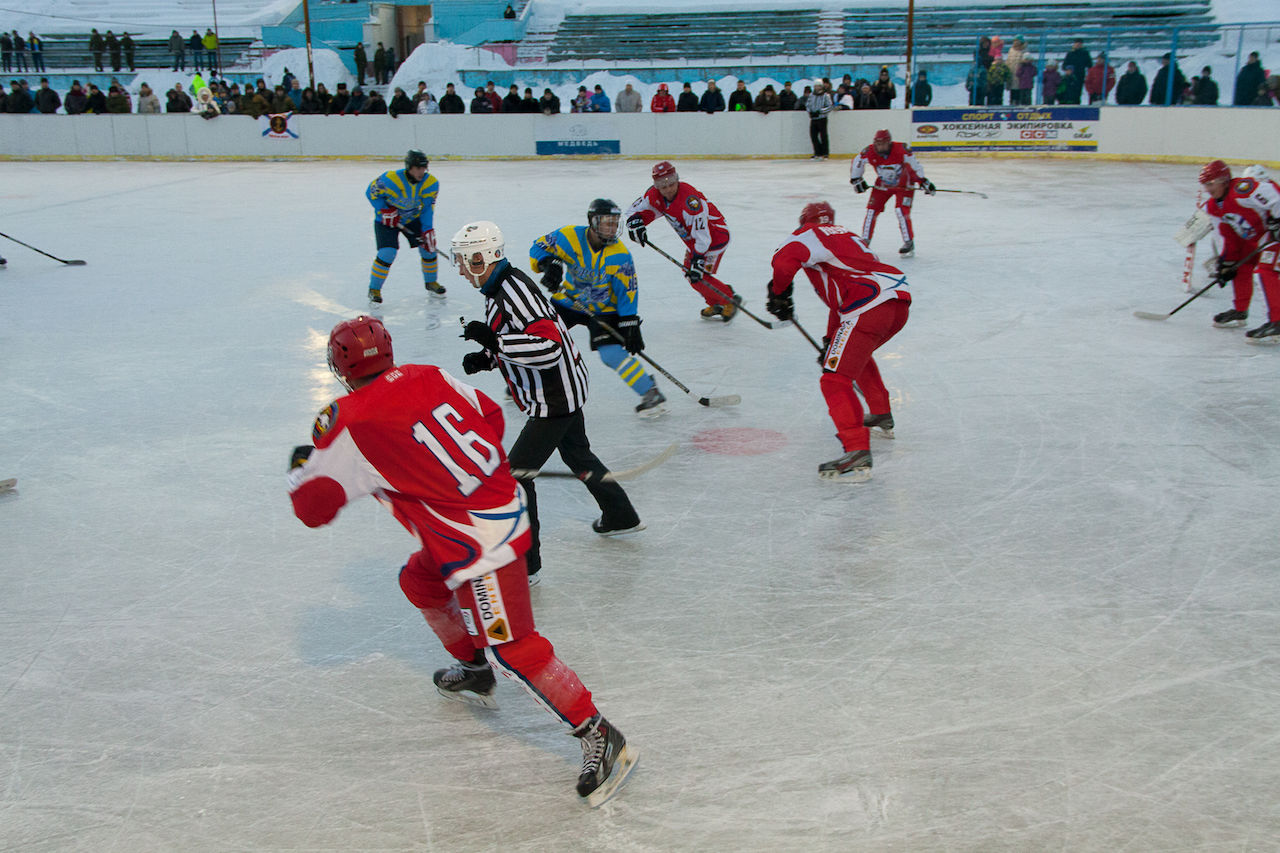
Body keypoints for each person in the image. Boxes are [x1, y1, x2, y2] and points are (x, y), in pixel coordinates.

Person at [289, 313, 637, 806]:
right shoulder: (428, 374)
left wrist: (301, 470)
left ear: (341, 368)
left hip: (478, 542)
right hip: (479, 518)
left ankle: (600, 735)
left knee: (515, 645)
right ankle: (473, 667)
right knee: (421, 583)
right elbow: (489, 414)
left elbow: (313, 508)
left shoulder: (347, 420)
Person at [454, 220, 648, 577]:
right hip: (563, 388)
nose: (464, 271)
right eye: (461, 262)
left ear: (486, 257)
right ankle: (621, 515)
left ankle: (525, 562)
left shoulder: (513, 292)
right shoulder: (501, 287)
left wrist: (496, 344)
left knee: (514, 476)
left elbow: (548, 347)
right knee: (578, 454)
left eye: (468, 262)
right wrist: (487, 358)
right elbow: (517, 336)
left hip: (555, 396)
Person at [765, 202, 911, 481]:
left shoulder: (808, 233)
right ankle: (881, 412)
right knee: (857, 357)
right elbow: (841, 301)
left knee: (834, 380)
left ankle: (856, 450)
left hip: (869, 307)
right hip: (896, 303)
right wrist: (832, 340)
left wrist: (779, 294)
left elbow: (784, 261)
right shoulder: (849, 238)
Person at [528, 200, 666, 415]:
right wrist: (549, 264)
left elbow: (627, 291)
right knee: (542, 339)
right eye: (607, 223)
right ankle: (526, 383)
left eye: (615, 223)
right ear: (593, 222)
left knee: (611, 354)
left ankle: (650, 391)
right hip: (569, 301)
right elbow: (538, 246)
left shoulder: (620, 255)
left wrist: (630, 323)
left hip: (605, 309)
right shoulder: (569, 237)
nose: (612, 228)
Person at [625, 161, 738, 322]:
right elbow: (633, 212)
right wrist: (636, 224)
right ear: (656, 186)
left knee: (696, 275)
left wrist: (698, 258)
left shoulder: (690, 202)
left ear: (676, 179)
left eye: (671, 184)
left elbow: (703, 236)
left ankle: (729, 299)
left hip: (714, 238)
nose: (669, 189)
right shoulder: (654, 195)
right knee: (690, 274)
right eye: (663, 187)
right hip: (695, 241)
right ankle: (715, 302)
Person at [1198, 161, 1280, 340]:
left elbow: (1275, 197)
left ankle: (1278, 322)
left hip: (1273, 236)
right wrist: (1226, 261)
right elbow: (1225, 235)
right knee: (1238, 267)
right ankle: (1240, 311)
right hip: (1256, 240)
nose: (1207, 189)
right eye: (1205, 185)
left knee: (1264, 271)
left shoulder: (1243, 189)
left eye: (1211, 184)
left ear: (1224, 180)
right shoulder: (1212, 206)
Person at [366, 150, 443, 303]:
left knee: (428, 247)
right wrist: (384, 209)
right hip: (386, 221)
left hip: (412, 219)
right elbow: (371, 192)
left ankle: (431, 282)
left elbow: (427, 208)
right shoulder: (390, 179)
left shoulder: (431, 183)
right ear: (409, 167)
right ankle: (374, 289)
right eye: (417, 168)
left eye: (424, 168)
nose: (421, 172)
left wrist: (427, 228)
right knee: (387, 252)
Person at [850, 129, 935, 256]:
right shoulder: (869, 151)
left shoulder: (901, 149)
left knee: (901, 211)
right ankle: (865, 241)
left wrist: (922, 181)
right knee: (871, 210)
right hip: (883, 185)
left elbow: (915, 165)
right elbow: (858, 161)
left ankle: (908, 241)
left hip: (904, 185)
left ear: (889, 143)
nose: (880, 147)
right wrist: (856, 179)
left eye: (883, 144)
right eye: (878, 144)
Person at [805, 81, 833, 160]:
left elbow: (830, 106)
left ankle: (825, 153)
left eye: (818, 86)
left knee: (823, 136)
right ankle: (817, 152)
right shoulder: (811, 95)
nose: (816, 88)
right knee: (813, 136)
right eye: (815, 86)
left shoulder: (826, 96)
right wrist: (810, 112)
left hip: (822, 118)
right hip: (813, 118)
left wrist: (820, 111)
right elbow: (807, 105)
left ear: (821, 87)